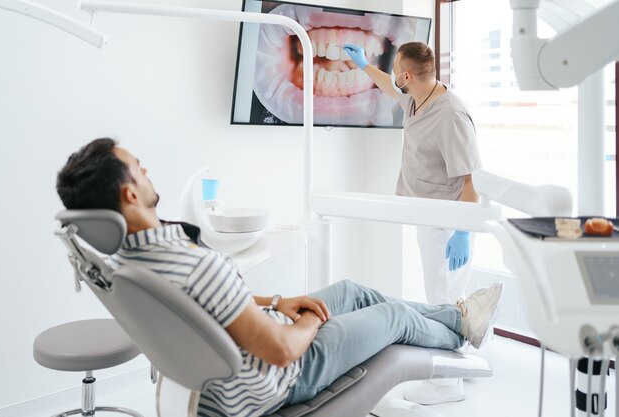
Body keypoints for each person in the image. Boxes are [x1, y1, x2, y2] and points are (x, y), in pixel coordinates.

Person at [56, 138, 502, 417]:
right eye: (139, 166)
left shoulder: (136, 261)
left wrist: (276, 303)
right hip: (277, 378)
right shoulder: (192, 265)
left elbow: (208, 309)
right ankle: (461, 328)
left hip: (225, 382)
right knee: (393, 317)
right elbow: (282, 349)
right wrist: (310, 321)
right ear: (130, 192)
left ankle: (457, 315)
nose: (148, 169)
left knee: (351, 290)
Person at [344, 41, 483, 404]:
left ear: (408, 74)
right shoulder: (416, 96)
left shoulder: (451, 114)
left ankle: (447, 384)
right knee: (450, 298)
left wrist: (463, 232)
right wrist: (363, 65)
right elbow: (391, 87)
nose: (394, 78)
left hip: (447, 220)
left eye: (397, 72)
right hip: (428, 215)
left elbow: (471, 184)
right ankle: (465, 361)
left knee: (443, 300)